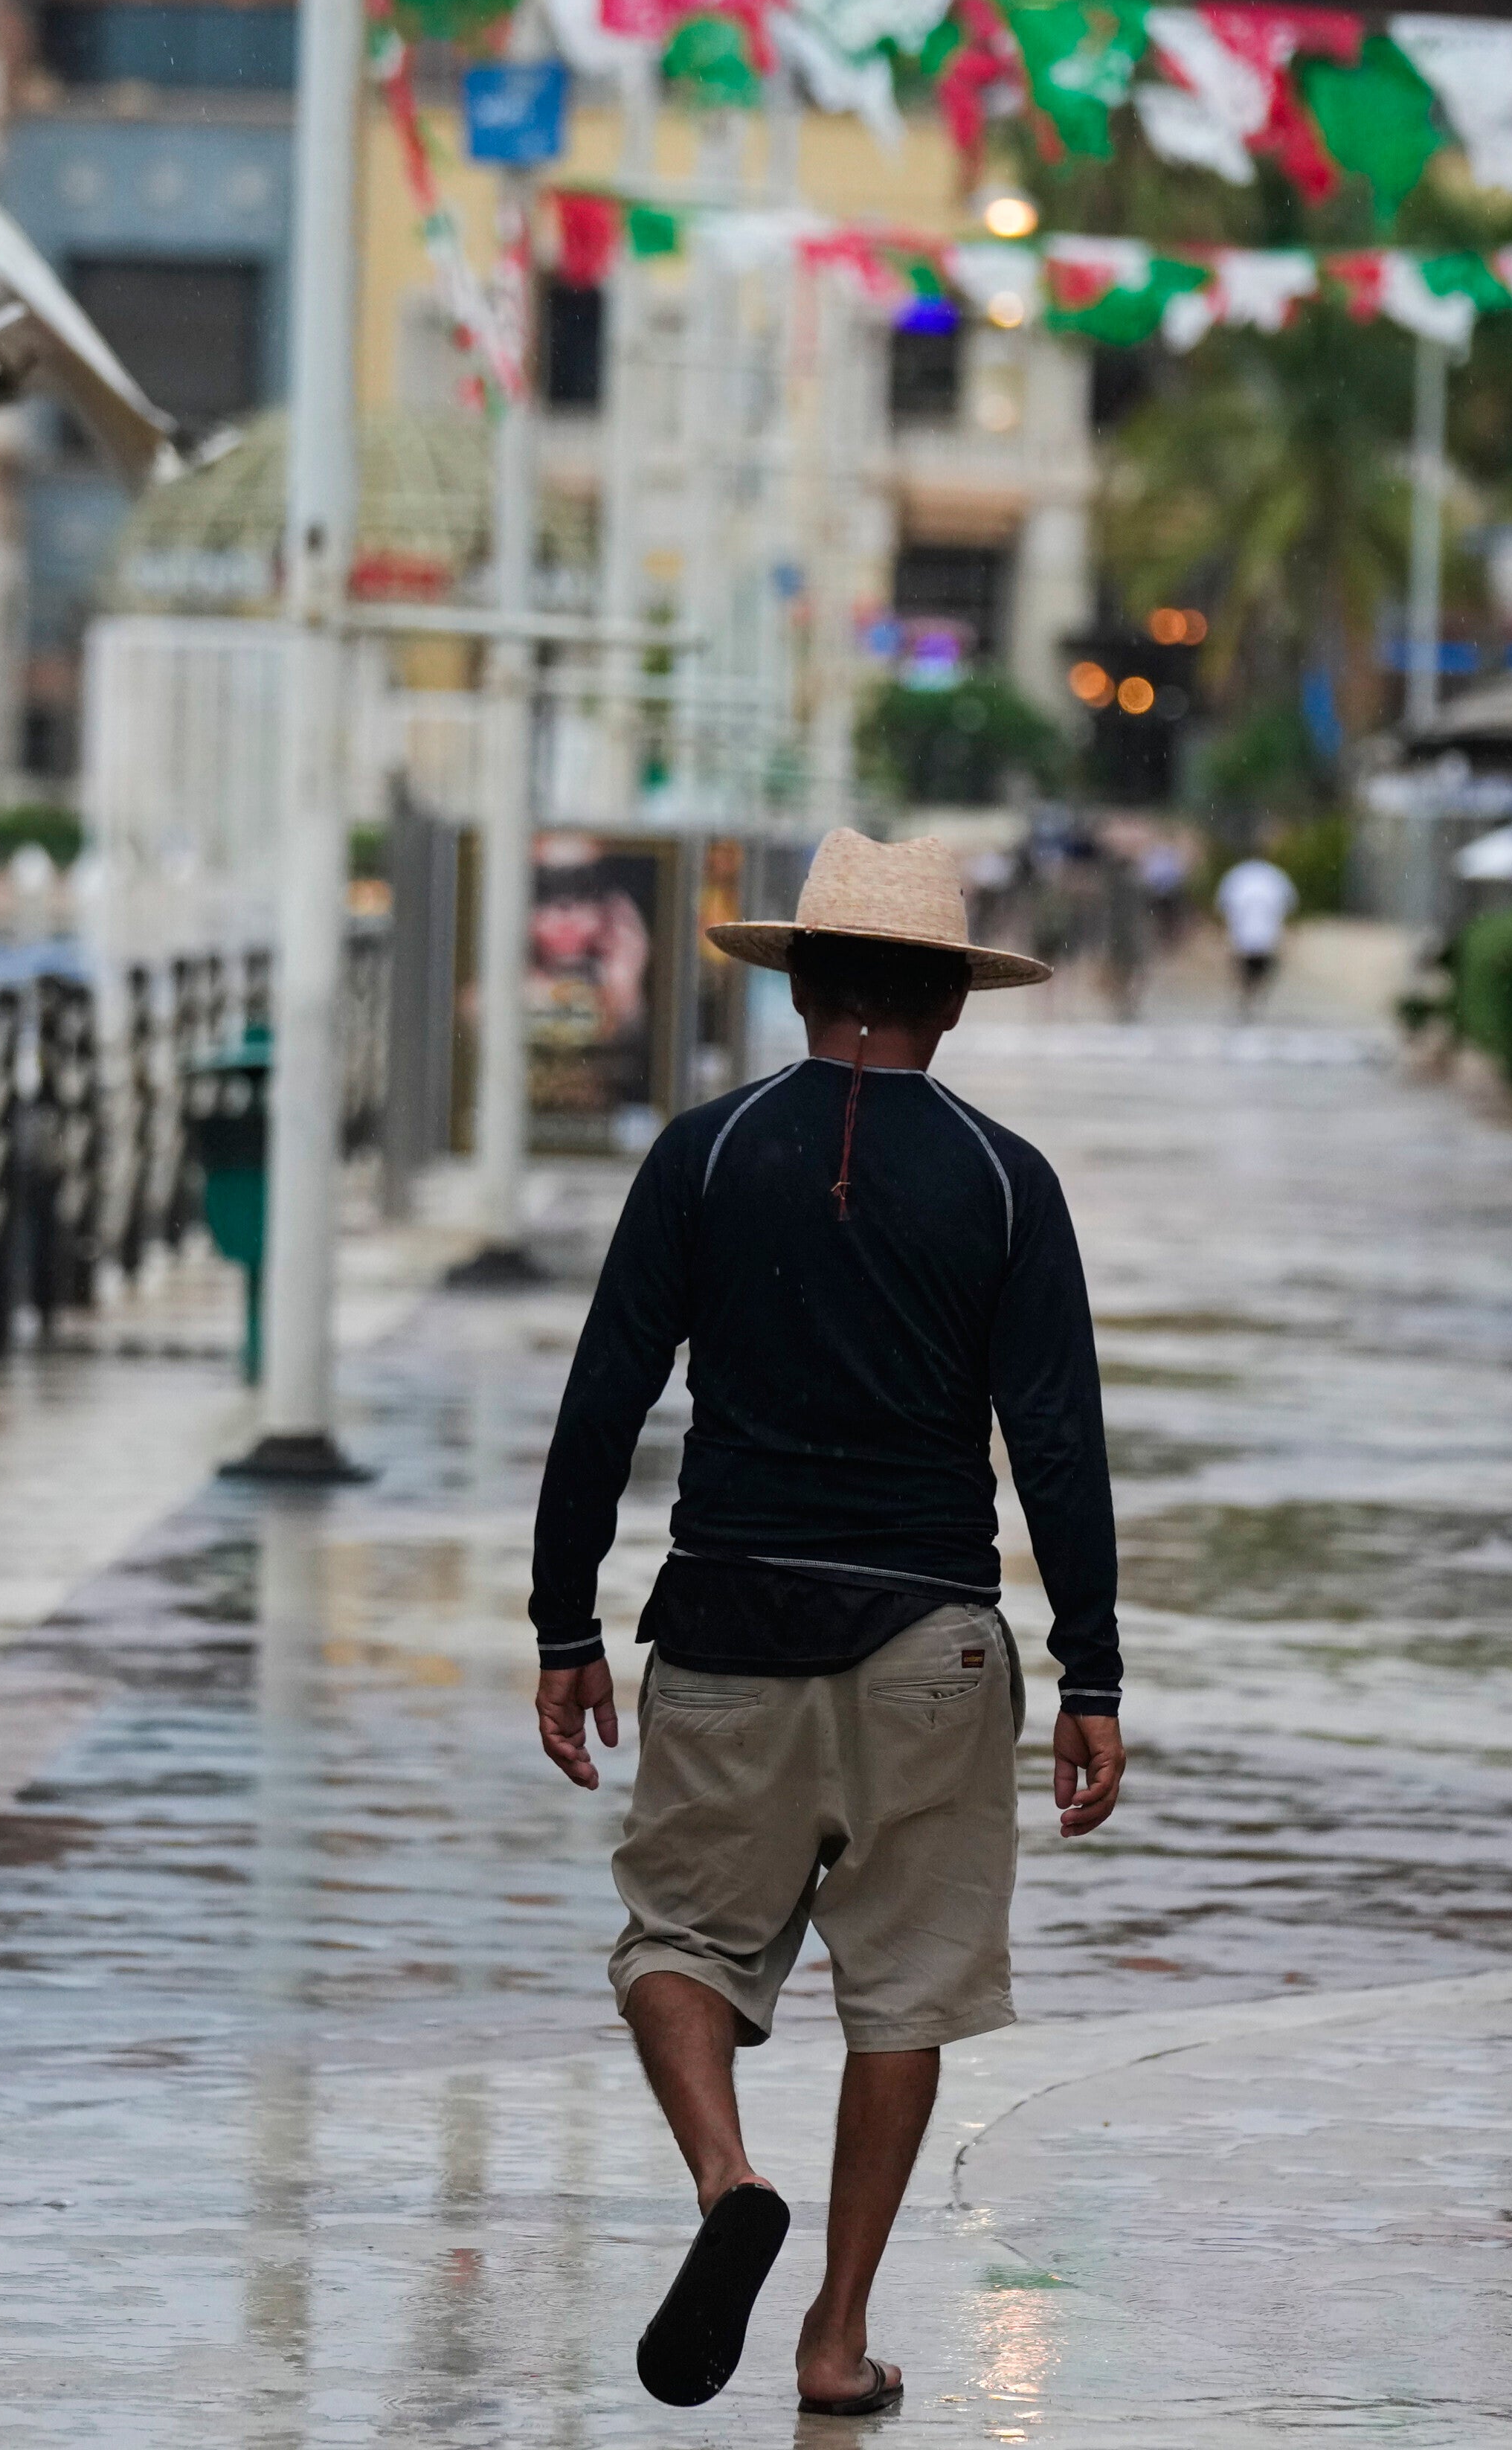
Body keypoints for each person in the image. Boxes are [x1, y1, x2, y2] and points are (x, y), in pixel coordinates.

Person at [530, 828, 1127, 2421]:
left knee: (674, 1943)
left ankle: (728, 2176)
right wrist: (1091, 1668)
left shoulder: (707, 1155)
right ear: (949, 999)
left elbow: (603, 1398)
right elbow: (1053, 1442)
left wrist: (560, 1623)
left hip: (723, 1622)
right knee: (904, 1991)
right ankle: (832, 2335)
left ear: (797, 983)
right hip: (927, 1645)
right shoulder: (1007, 1182)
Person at [1215, 849, 1297, 1015]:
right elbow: (1289, 903)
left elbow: (1223, 904)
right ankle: (1253, 995)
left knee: (1246, 968)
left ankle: (1247, 995)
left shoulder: (1237, 875)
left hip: (1244, 932)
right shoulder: (1274, 876)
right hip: (1265, 933)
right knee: (1261, 967)